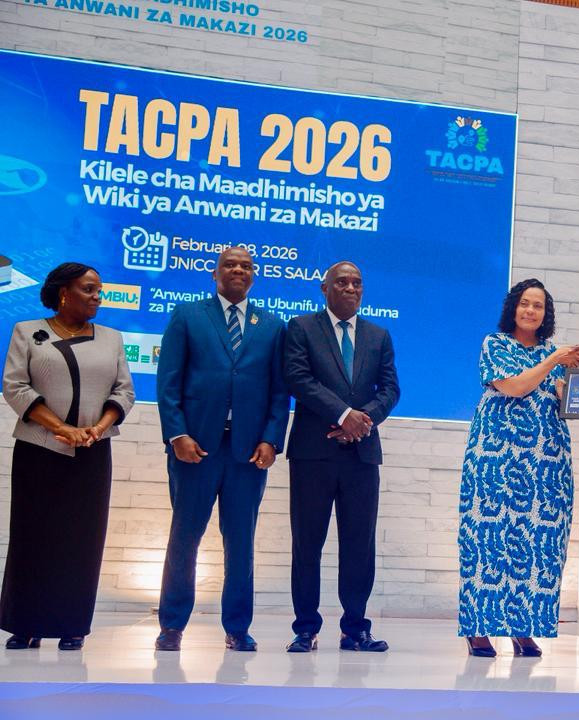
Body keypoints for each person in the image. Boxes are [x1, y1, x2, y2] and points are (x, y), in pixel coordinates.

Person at [155, 246, 290, 652]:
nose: (238, 270)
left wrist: (271, 439)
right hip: (195, 448)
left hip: (247, 453)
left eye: (246, 266)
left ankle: (237, 627)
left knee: (241, 543)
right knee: (185, 538)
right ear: (215, 273)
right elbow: (168, 382)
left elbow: (279, 391)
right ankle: (172, 625)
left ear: (253, 276)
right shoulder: (187, 315)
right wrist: (177, 434)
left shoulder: (272, 325)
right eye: (230, 264)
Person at [1, 262, 134, 650]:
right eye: (89, 289)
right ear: (64, 293)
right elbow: (15, 387)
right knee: (33, 536)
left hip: (92, 451)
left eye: (99, 290)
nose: (97, 297)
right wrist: (61, 428)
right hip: (39, 450)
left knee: (82, 540)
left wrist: (98, 427)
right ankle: (25, 625)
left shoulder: (111, 338)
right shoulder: (28, 331)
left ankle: (72, 625)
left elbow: (124, 391)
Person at [458, 278, 579, 658]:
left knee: (538, 544)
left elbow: (565, 402)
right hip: (496, 456)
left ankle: (523, 627)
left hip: (545, 461)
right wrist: (552, 362)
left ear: (546, 314)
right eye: (525, 303)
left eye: (539, 306)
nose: (531, 310)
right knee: (487, 538)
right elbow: (515, 387)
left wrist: (576, 391)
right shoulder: (496, 344)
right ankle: (479, 627)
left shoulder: (554, 354)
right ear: (513, 307)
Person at [284, 261, 400, 653]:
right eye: (342, 282)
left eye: (357, 283)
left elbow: (390, 389)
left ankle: (355, 628)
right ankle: (305, 628)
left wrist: (362, 420)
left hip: (361, 455)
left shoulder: (378, 335)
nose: (350, 288)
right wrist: (343, 414)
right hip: (313, 454)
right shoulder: (301, 328)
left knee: (359, 544)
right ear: (325, 288)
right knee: (307, 543)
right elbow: (298, 379)